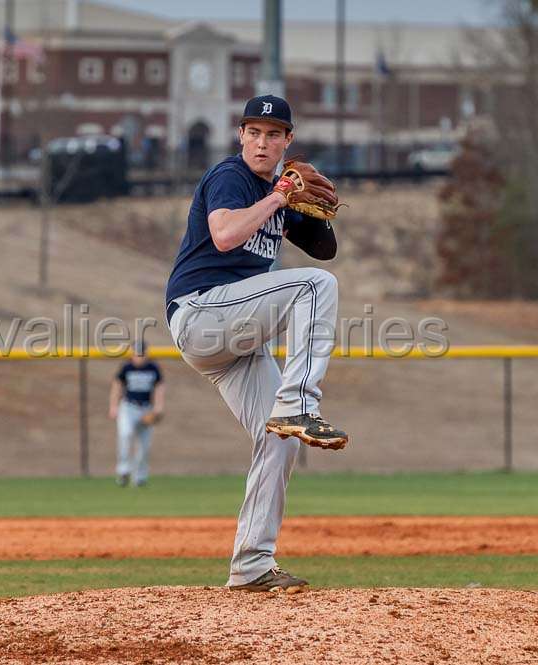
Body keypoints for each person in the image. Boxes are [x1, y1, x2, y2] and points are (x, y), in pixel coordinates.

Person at [164, 95, 344, 593]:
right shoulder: (232, 177)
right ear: (241, 135)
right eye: (254, 132)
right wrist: (278, 200)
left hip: (232, 338)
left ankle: (250, 565)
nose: (262, 143)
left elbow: (326, 250)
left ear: (288, 141)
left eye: (274, 134)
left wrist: (309, 210)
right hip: (201, 310)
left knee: (279, 439)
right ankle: (300, 402)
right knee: (313, 288)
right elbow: (223, 235)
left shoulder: (281, 189)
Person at [109, 342, 164, 487]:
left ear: (147, 354)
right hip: (128, 407)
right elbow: (117, 386)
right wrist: (113, 406)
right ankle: (123, 470)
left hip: (146, 409)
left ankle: (139, 477)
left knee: (144, 446)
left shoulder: (153, 368)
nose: (139, 357)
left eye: (142, 353)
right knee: (125, 435)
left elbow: (159, 388)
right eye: (136, 353)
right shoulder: (127, 367)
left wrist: (158, 408)